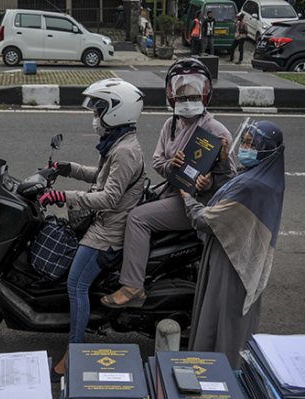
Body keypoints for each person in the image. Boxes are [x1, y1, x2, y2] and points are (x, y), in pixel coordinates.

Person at [100, 58, 236, 309]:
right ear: (172, 96)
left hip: (195, 203)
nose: (187, 101)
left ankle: (132, 286)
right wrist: (173, 164)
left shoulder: (217, 131)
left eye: (193, 96)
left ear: (205, 95)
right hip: (171, 190)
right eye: (182, 96)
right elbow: (157, 161)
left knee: (138, 218)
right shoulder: (170, 125)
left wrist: (208, 182)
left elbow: (231, 183)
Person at [42, 79, 146, 377]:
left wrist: (64, 196)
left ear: (117, 111)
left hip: (108, 232)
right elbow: (101, 177)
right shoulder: (119, 142)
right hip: (103, 223)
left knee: (76, 285)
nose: (95, 116)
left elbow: (110, 197)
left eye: (99, 109)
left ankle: (74, 353)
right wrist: (67, 168)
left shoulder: (125, 151)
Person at [181, 120, 286, 367]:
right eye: (246, 142)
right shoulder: (266, 176)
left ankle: (215, 374)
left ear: (268, 149)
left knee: (218, 319)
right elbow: (230, 188)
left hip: (230, 261)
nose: (245, 148)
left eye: (252, 144)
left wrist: (186, 197)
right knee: (230, 321)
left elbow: (205, 219)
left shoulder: (251, 185)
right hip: (242, 256)